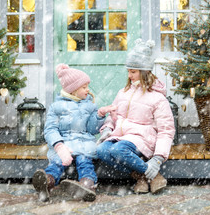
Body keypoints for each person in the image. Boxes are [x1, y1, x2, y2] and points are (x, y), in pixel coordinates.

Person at [96, 39, 175, 194]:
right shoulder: (123, 92)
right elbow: (113, 116)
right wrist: (107, 129)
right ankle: (147, 175)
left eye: (133, 71)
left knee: (118, 150)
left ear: (144, 72)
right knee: (101, 150)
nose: (129, 75)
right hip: (122, 136)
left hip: (143, 138)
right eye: (128, 71)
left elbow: (166, 130)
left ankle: (146, 174)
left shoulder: (157, 98)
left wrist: (158, 157)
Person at [32, 63, 115, 202]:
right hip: (65, 144)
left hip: (84, 143)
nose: (88, 90)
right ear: (73, 90)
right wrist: (59, 146)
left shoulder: (90, 106)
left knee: (84, 162)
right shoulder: (57, 107)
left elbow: (92, 129)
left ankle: (87, 186)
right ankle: (48, 181)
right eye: (84, 87)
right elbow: (50, 129)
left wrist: (99, 115)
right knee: (57, 162)